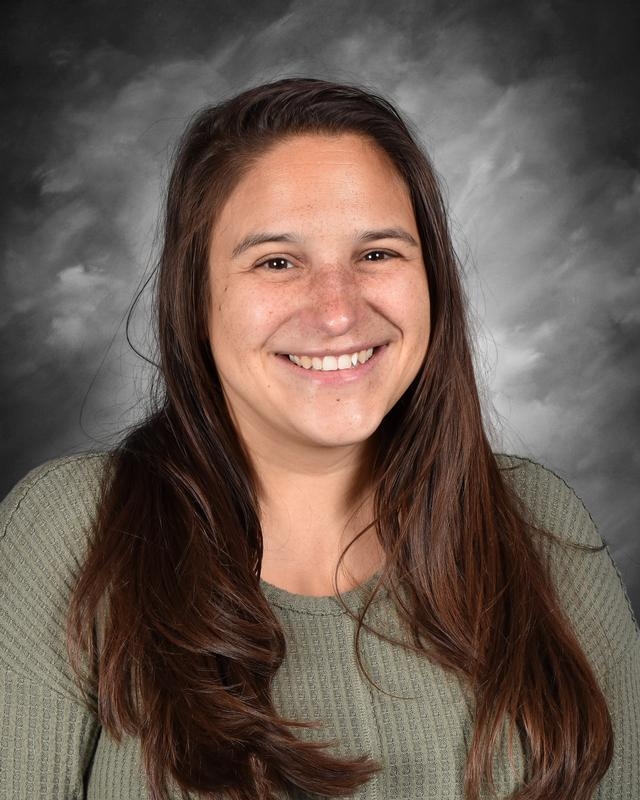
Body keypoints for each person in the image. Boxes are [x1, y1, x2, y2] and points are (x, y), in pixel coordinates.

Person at [0, 78, 638, 800]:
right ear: (197, 298)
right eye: (277, 261)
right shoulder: (69, 531)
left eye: (378, 255)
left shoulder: (540, 522)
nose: (337, 312)